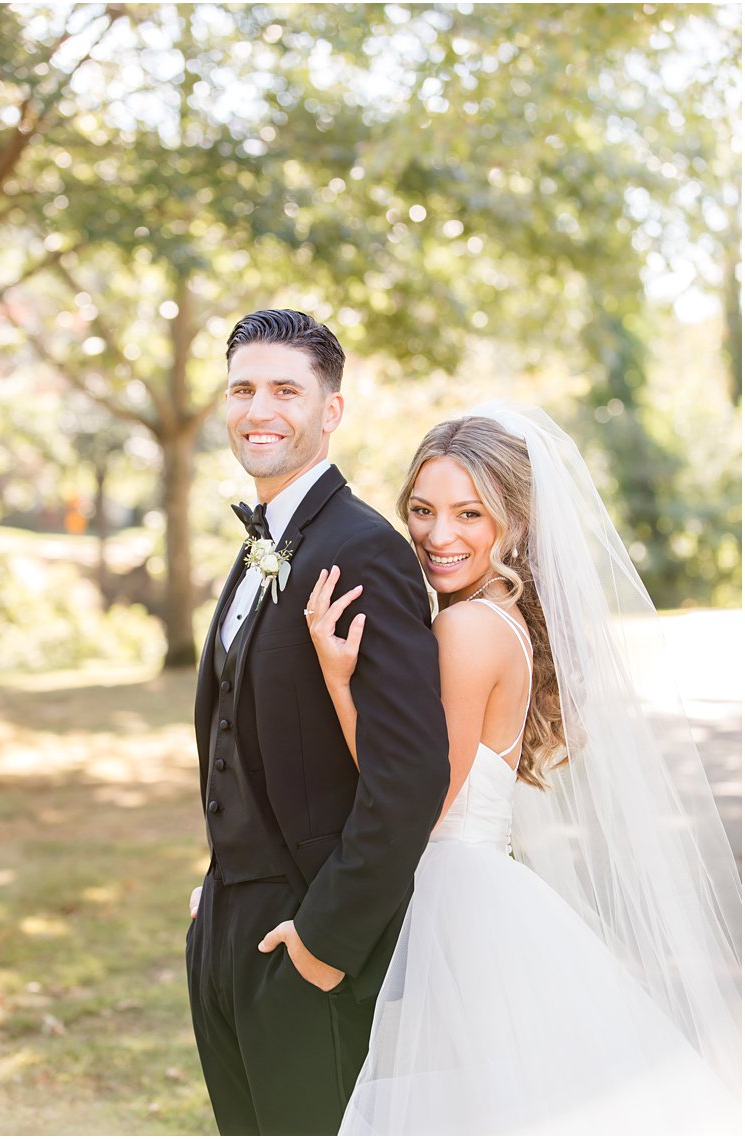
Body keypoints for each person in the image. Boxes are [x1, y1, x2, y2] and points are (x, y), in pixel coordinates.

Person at [306, 408, 741, 1133]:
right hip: (483, 888)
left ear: (515, 522)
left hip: (454, 898)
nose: (438, 535)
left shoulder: (467, 627)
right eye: (422, 509)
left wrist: (337, 680)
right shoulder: (495, 613)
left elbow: (419, 802)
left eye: (468, 512)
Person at [186, 309, 449, 1135]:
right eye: (243, 389)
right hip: (227, 930)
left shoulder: (364, 547)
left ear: (330, 410)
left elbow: (409, 776)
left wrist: (325, 943)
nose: (258, 409)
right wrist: (217, 896)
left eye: (284, 391)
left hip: (312, 943)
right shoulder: (262, 534)